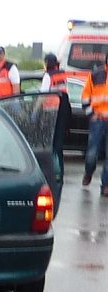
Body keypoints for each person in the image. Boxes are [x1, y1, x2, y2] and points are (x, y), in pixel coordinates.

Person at [39, 53, 71, 182]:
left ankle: (51, 174)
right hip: (63, 111)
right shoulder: (62, 74)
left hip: (51, 114)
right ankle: (60, 174)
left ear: (46, 62)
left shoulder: (48, 76)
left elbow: (42, 96)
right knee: (58, 147)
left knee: (49, 146)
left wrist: (34, 113)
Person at [81, 52, 108, 195]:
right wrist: (91, 114)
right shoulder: (95, 75)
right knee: (92, 153)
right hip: (97, 120)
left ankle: (105, 185)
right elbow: (85, 97)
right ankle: (89, 171)